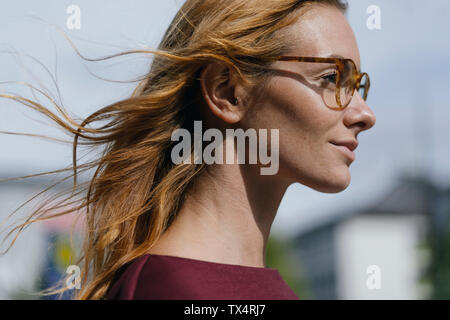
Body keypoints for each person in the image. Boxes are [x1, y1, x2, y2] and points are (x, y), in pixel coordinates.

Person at [1, 0, 376, 300]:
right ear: (227, 91)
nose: (364, 113)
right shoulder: (170, 290)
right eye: (332, 79)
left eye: (358, 85)